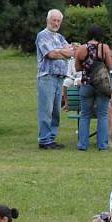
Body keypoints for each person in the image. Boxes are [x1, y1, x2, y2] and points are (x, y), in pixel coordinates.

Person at [36, 9, 74, 149]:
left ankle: (51, 138)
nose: (56, 23)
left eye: (59, 21)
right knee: (46, 109)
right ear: (48, 20)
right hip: (47, 77)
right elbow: (50, 54)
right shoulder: (42, 35)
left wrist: (60, 51)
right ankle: (44, 140)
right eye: (54, 20)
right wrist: (62, 52)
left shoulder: (60, 37)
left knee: (56, 111)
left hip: (60, 78)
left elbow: (71, 52)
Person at [74, 25, 112, 151]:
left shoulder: (81, 48)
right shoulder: (104, 48)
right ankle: (102, 145)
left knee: (85, 115)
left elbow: (77, 68)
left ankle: (82, 144)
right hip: (101, 85)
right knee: (102, 115)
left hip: (86, 84)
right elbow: (110, 66)